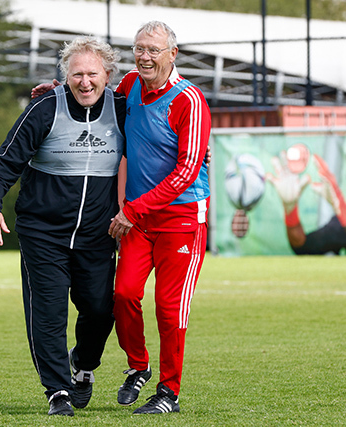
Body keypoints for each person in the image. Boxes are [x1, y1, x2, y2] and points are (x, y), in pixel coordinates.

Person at [0, 36, 125, 416]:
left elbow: (160, 140)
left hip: (98, 235)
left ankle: (84, 365)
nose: (85, 82)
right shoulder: (44, 108)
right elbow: (5, 161)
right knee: (48, 312)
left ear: (107, 75)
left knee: (100, 309)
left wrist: (200, 151)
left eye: (92, 74)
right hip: (43, 233)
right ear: (65, 76)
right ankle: (57, 391)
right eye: (77, 74)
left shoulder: (124, 109)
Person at [108, 21, 211, 415]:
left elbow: (186, 172)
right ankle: (139, 366)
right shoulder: (129, 85)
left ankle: (169, 392)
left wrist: (131, 209)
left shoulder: (190, 101)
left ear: (173, 54)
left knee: (169, 308)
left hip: (181, 221)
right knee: (123, 295)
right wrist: (56, 93)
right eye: (139, 48)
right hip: (139, 220)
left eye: (153, 49)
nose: (144, 56)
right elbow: (95, 100)